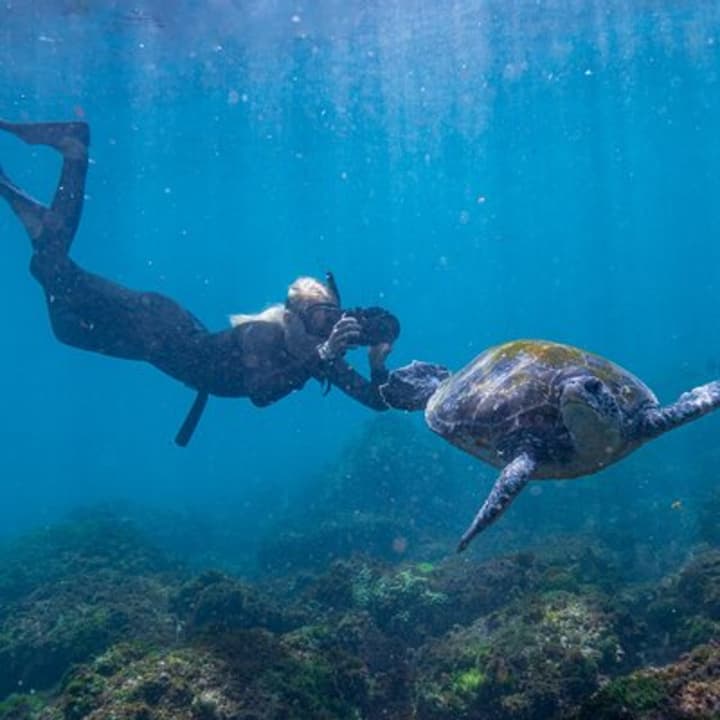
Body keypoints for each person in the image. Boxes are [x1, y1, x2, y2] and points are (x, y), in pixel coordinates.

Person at [0, 119, 400, 445]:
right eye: (316, 317)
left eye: (329, 318)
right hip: (155, 323)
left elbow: (376, 402)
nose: (322, 329)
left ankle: (42, 215)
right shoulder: (264, 335)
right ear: (292, 315)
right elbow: (261, 393)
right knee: (52, 270)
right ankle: (74, 149)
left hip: (152, 347)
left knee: (65, 325)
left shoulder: (317, 356)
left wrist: (377, 365)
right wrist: (323, 355)